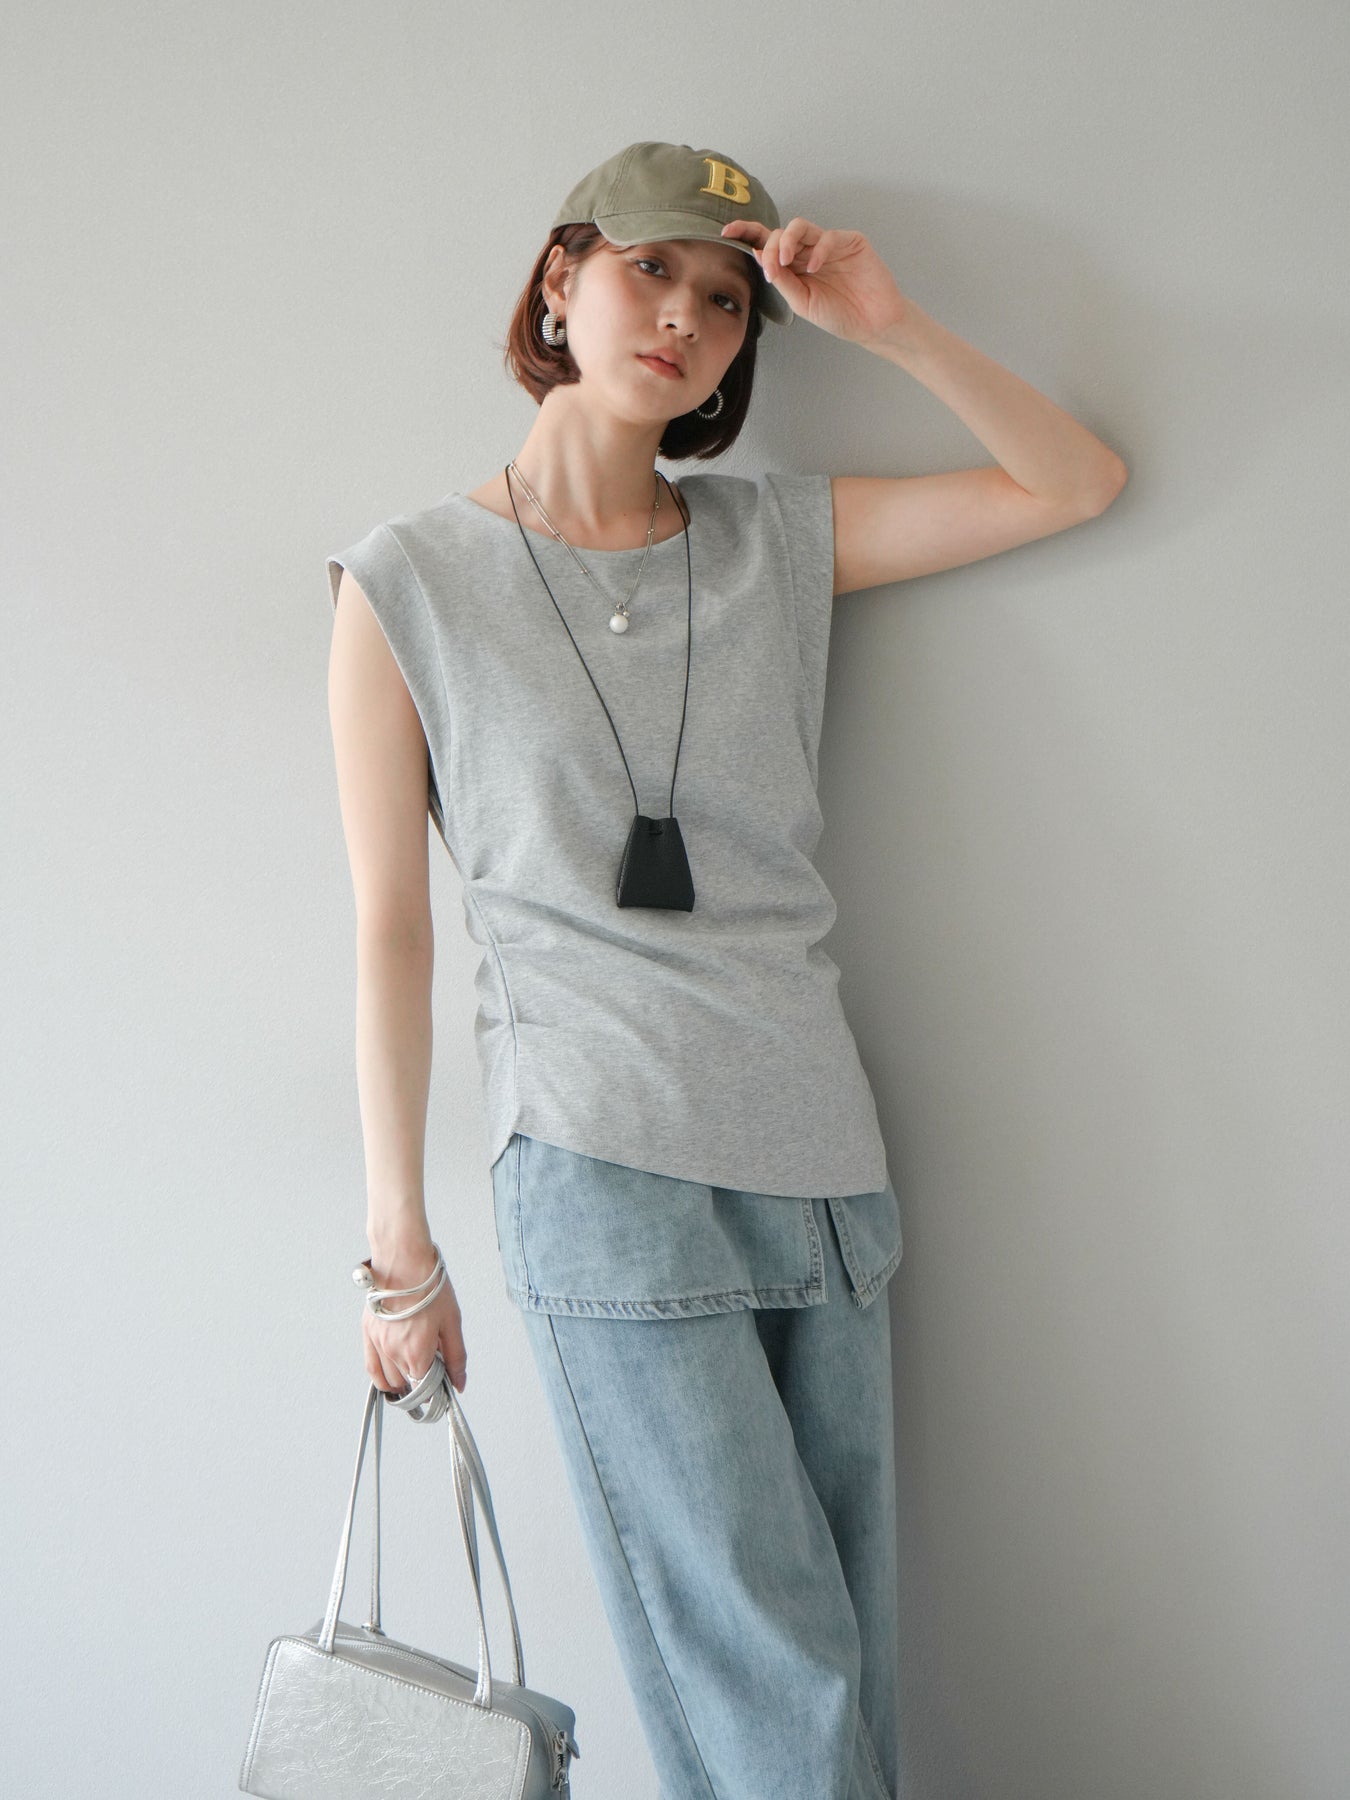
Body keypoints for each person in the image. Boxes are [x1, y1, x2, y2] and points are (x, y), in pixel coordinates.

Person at [324, 140, 1127, 1800]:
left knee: (834, 1666)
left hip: (820, 1160)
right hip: (601, 1158)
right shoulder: (408, 582)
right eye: (648, 272)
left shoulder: (775, 542)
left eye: (723, 298)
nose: (683, 318)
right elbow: (391, 927)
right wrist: (397, 1244)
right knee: (775, 1678)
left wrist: (889, 327)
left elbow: (1070, 483)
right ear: (560, 281)